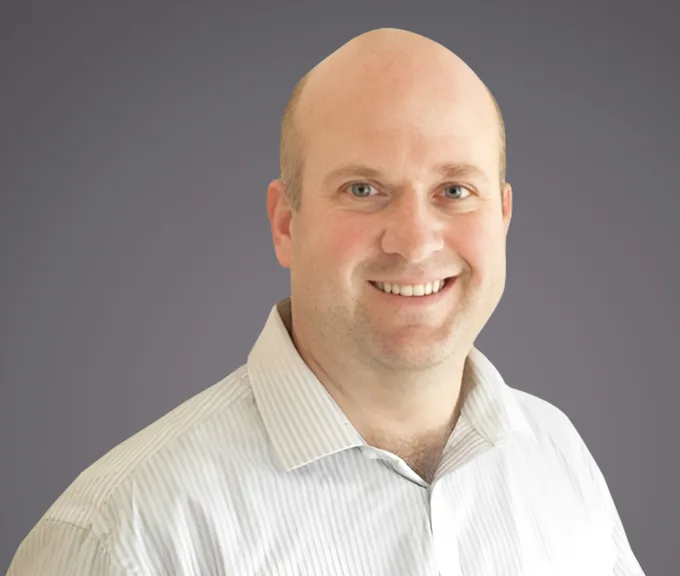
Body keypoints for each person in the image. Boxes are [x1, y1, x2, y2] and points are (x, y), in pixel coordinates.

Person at [7, 28, 646, 575]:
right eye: (364, 188)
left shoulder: (555, 455)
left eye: (454, 191)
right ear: (287, 223)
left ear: (503, 216)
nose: (415, 241)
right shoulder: (127, 537)